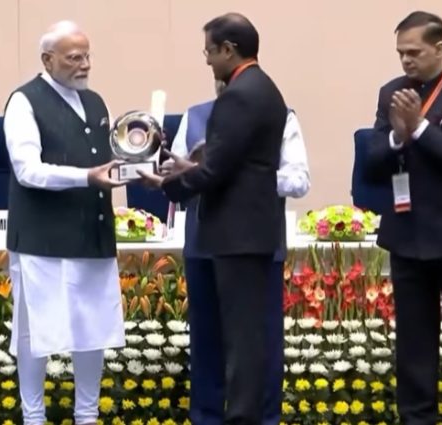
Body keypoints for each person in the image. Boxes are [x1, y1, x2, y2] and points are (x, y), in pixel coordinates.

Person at [138, 13, 288, 424]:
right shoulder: (265, 88)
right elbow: (234, 164)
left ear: (228, 49)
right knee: (246, 336)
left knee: (240, 341)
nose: (206, 60)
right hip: (252, 231)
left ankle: (241, 418)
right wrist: (190, 168)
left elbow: (216, 172)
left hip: (236, 235)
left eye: (209, 51)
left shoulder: (238, 95)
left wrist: (166, 184)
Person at [363, 11, 442, 425]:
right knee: (413, 339)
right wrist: (395, 136)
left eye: (414, 52)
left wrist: (418, 127)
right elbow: (372, 159)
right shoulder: (392, 92)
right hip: (408, 234)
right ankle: (416, 417)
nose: (406, 61)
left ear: (439, 48)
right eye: (401, 53)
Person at [3, 20, 126, 425]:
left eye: (87, 56)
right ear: (47, 59)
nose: (85, 65)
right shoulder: (24, 101)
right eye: (74, 58)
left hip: (92, 234)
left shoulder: (96, 102)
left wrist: (141, 168)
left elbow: (109, 162)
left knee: (94, 330)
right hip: (42, 240)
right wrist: (86, 176)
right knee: (35, 333)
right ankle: (33, 416)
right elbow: (28, 170)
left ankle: (86, 415)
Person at [170, 79, 310, 425]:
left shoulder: (280, 117)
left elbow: (298, 181)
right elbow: (175, 177)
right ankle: (206, 418)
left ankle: (264, 419)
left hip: (257, 248)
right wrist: (182, 172)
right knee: (206, 344)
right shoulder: (194, 117)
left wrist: (238, 177)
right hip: (204, 246)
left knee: (259, 344)